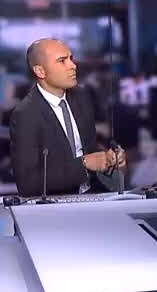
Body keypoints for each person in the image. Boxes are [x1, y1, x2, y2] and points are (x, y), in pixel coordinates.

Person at [9, 38, 126, 197]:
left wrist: (108, 158)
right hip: (55, 204)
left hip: (93, 194)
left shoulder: (82, 96)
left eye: (71, 58)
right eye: (62, 61)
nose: (73, 65)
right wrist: (84, 164)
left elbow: (88, 149)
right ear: (40, 71)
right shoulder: (25, 114)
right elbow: (28, 183)